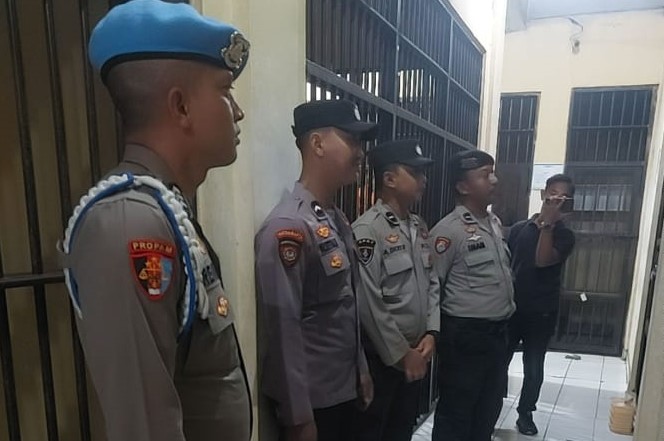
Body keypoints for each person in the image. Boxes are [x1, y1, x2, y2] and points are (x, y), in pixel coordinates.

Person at [57, 1, 252, 440]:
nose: (238, 111)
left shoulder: (165, 208)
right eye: (225, 91)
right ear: (180, 107)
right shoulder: (129, 223)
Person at [255, 99, 376, 441]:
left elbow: (346, 309)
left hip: (343, 393)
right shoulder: (288, 227)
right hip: (314, 405)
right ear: (317, 144)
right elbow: (283, 329)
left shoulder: (335, 219)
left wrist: (360, 371)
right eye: (351, 140)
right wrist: (297, 417)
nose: (360, 153)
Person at [352, 139, 440, 441]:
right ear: (389, 179)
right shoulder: (368, 230)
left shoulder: (419, 227)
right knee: (374, 432)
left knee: (402, 431)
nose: (423, 179)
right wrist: (402, 354)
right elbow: (368, 301)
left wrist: (432, 332)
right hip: (382, 359)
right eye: (415, 172)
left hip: (416, 352)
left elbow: (432, 282)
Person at [430, 150, 515, 441]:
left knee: (488, 410)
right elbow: (433, 287)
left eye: (493, 172)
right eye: (484, 175)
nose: (494, 180)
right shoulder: (448, 231)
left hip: (497, 335)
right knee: (456, 415)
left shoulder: (494, 223)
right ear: (463, 186)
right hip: (465, 338)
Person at [506, 174, 576, 436]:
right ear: (543, 194)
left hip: (541, 311)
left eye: (563, 197)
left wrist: (548, 225)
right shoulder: (519, 229)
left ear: (569, 203)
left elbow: (543, 260)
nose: (556, 200)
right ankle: (490, 407)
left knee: (533, 366)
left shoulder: (565, 236)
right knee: (499, 360)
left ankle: (525, 413)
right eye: (553, 194)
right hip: (511, 308)